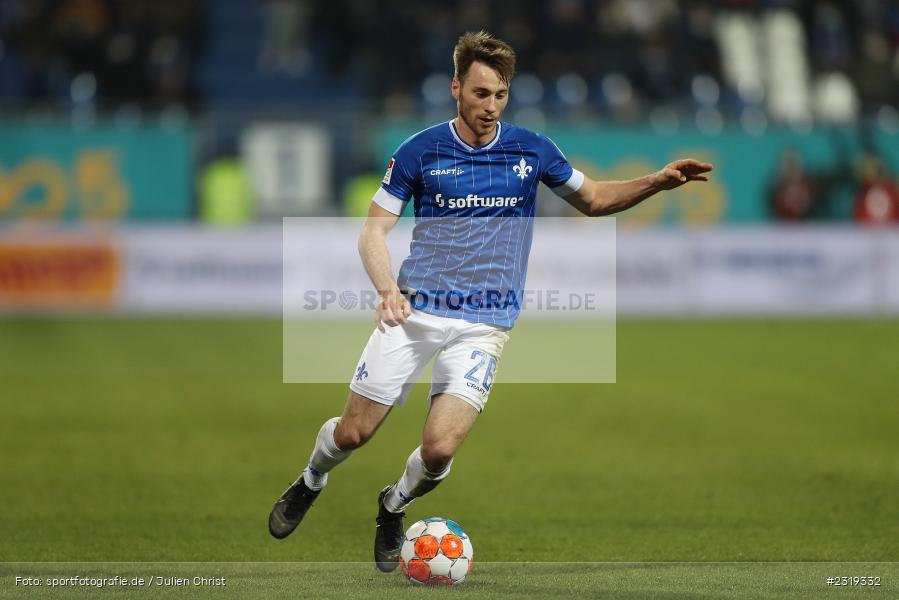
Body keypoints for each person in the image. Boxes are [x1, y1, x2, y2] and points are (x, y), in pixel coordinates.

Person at [268, 31, 713, 572]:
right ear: (456, 87)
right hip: (414, 311)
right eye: (480, 93)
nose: (491, 106)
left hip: (485, 323)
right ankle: (312, 478)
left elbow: (594, 199)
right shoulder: (419, 151)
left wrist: (657, 182)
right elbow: (372, 232)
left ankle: (393, 505)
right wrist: (387, 290)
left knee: (438, 452)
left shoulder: (532, 150)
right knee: (354, 432)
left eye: (500, 94)